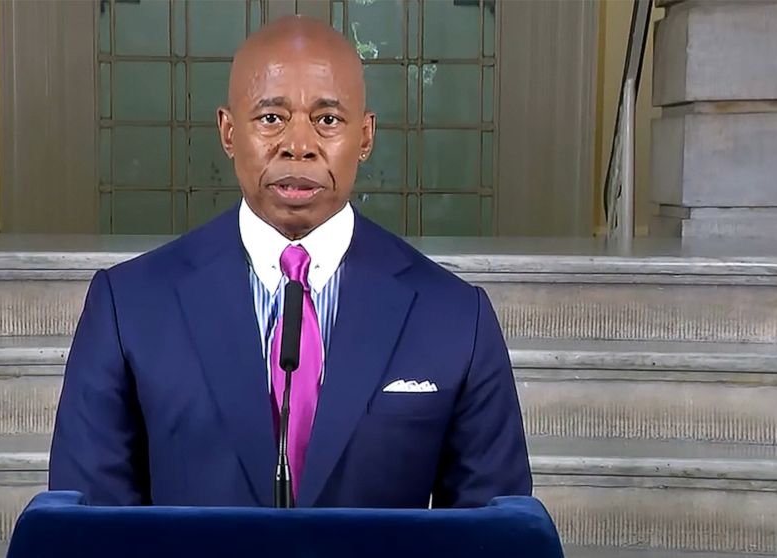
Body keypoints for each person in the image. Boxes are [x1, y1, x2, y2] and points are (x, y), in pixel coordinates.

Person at [49, 15, 531, 508]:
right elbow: (88, 523)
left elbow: (493, 531)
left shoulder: (454, 316)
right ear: (228, 131)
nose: (298, 146)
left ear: (365, 137)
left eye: (327, 120)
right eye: (271, 118)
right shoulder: (128, 306)